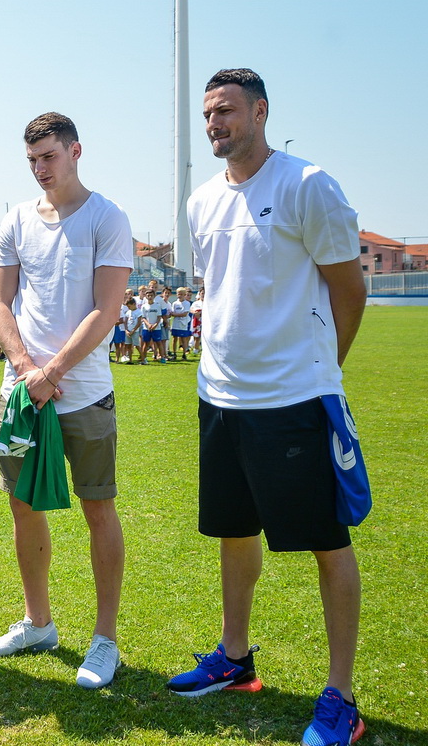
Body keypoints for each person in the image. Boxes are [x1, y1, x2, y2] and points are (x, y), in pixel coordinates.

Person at [166, 69, 368, 746]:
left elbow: (349, 291)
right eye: (207, 114)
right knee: (232, 530)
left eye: (225, 111)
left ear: (260, 113)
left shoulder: (307, 185)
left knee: (326, 542)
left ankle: (341, 697)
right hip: (220, 397)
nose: (215, 123)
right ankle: (235, 657)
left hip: (294, 400)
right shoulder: (200, 202)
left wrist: (317, 372)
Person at [0, 113, 133, 689]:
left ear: (75, 151)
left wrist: (55, 370)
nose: (40, 169)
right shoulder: (16, 219)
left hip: (84, 393)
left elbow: (107, 308)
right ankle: (38, 622)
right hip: (21, 392)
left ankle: (104, 640)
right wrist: (26, 368)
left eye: (49, 157)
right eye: (32, 161)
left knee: (98, 508)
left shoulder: (107, 217)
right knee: (24, 504)